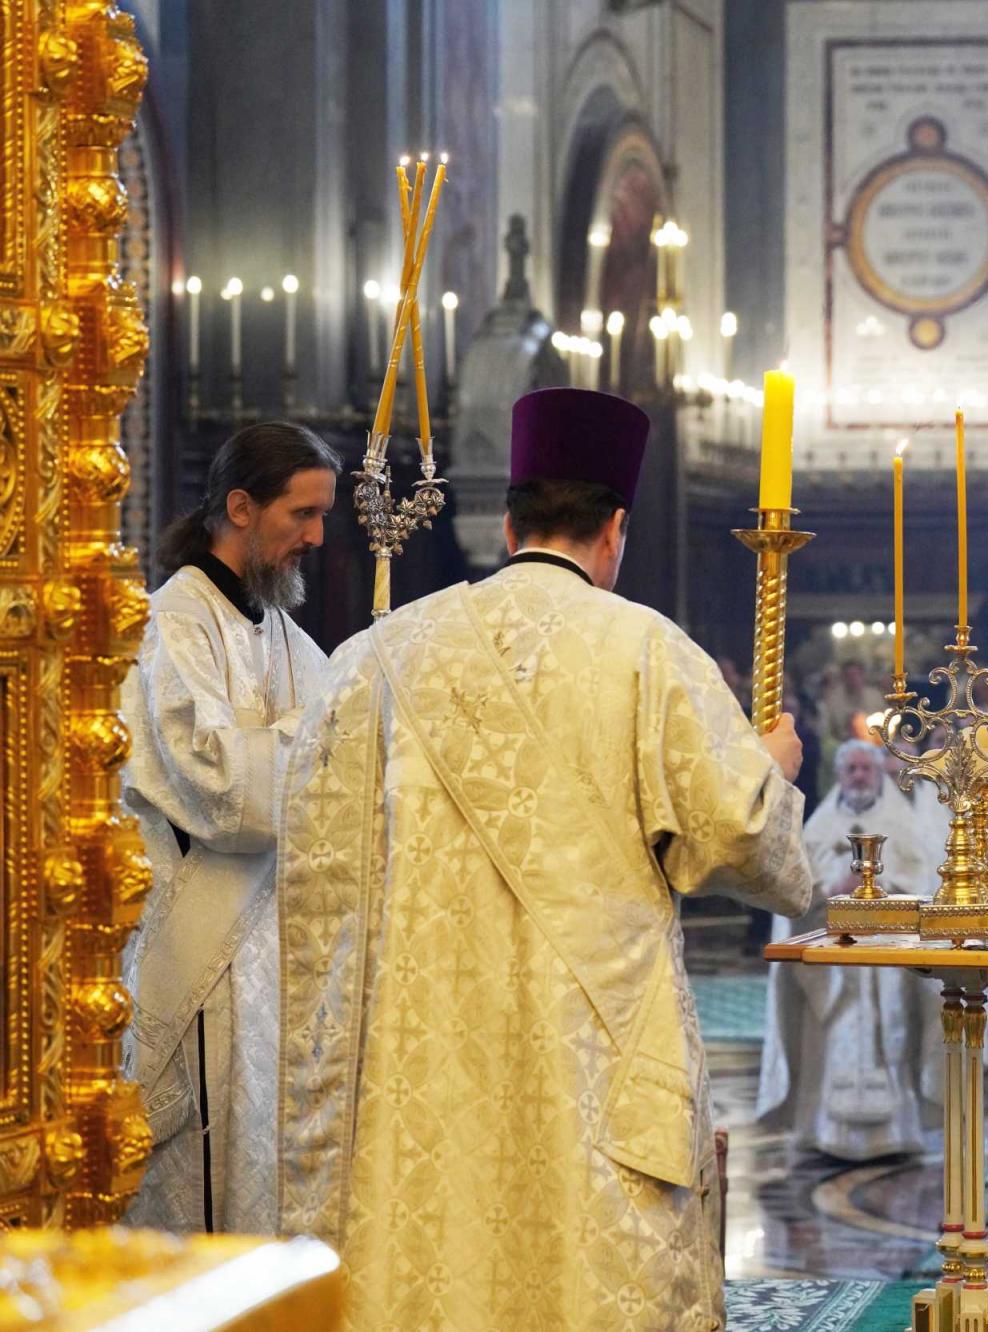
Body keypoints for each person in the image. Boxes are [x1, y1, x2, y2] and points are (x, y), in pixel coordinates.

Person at [275, 388, 812, 1331]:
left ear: (508, 522)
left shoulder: (377, 656)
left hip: (419, 1062)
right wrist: (770, 770)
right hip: (588, 1065)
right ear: (615, 531)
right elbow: (740, 842)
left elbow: (319, 877)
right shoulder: (648, 650)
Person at [119, 422, 340, 1233]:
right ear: (240, 507)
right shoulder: (168, 625)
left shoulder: (281, 631)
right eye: (303, 515)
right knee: (202, 1196)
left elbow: (350, 758)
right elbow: (229, 798)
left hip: (275, 965)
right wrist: (312, 736)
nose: (317, 537)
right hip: (200, 963)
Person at [758, 740, 940, 1159]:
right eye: (852, 769)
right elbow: (794, 887)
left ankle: (896, 1133)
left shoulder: (904, 824)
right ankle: (824, 1132)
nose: (859, 776)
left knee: (890, 1034)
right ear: (840, 775)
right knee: (831, 1036)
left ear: (878, 774)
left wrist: (880, 888)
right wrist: (829, 888)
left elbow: (921, 881)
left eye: (866, 769)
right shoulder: (818, 827)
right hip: (831, 959)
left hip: (888, 956)